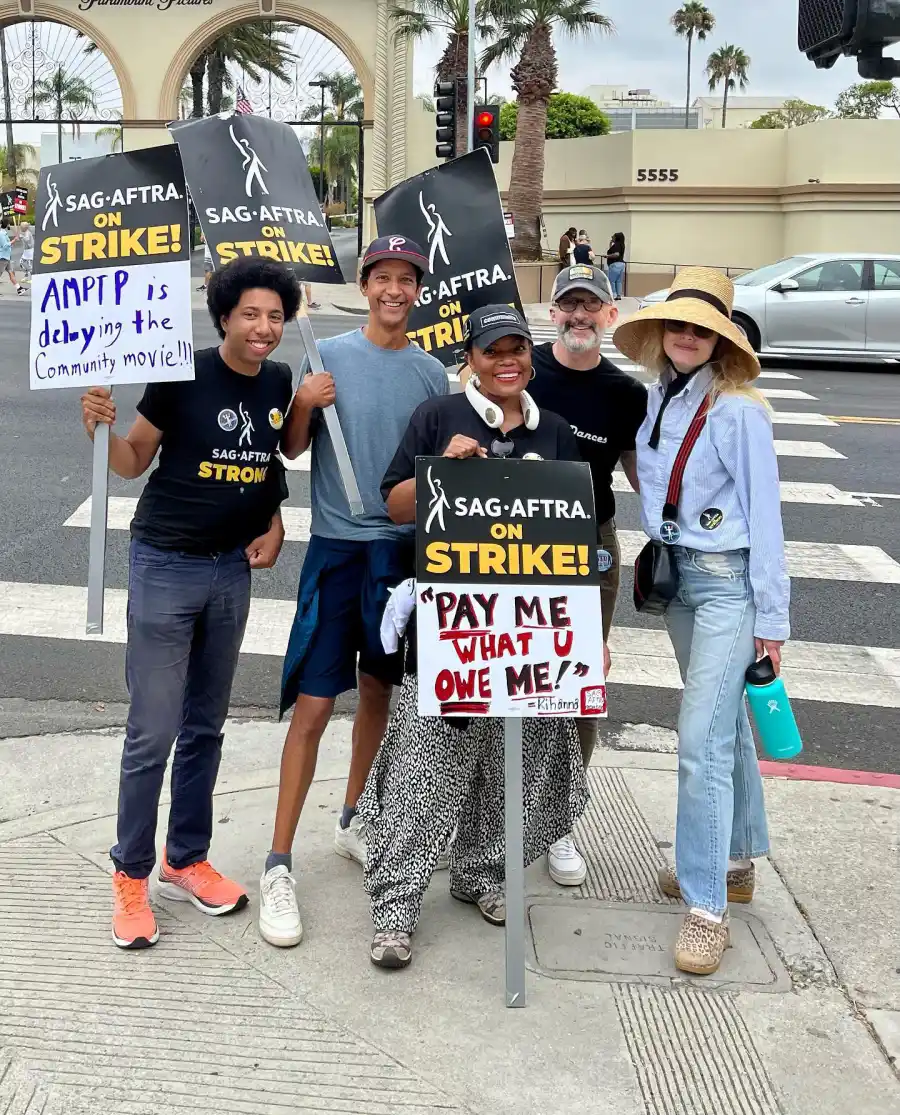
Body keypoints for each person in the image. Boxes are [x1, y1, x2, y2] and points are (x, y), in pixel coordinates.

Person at [358, 304, 591, 970]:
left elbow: (575, 529)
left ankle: (481, 872)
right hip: (452, 629)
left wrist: (581, 636)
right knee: (423, 769)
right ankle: (395, 904)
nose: (508, 360)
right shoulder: (438, 415)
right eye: (494, 350)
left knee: (507, 763)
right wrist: (442, 471)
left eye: (519, 348)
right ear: (472, 358)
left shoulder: (558, 432)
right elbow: (394, 503)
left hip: (530, 635)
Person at [79, 257, 299, 950]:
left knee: (206, 724)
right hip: (166, 564)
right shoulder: (182, 373)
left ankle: (186, 856)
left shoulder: (280, 381)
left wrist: (275, 519)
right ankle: (131, 872)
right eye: (251, 314)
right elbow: (130, 460)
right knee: (152, 731)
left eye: (275, 316)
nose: (264, 328)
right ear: (225, 317)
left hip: (230, 570)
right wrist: (99, 428)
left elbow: (265, 464)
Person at [258, 236, 449, 948]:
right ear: (364, 285)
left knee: (378, 692)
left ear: (417, 291)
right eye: (383, 278)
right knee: (313, 701)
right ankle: (277, 861)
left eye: (407, 280)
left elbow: (435, 468)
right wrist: (303, 403)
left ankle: (352, 819)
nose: (394, 290)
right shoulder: (326, 355)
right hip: (338, 551)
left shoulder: (432, 373)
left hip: (399, 554)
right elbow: (291, 448)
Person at [613, 267, 789, 976]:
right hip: (681, 581)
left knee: (700, 743)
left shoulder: (739, 410)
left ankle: (708, 905)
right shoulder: (659, 397)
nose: (687, 336)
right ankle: (734, 858)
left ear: (720, 341)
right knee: (724, 729)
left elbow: (769, 518)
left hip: (726, 585)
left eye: (702, 329)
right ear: (662, 333)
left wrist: (772, 619)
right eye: (678, 325)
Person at [528, 263, 648, 885]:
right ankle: (491, 812)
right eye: (568, 305)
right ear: (554, 313)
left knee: (579, 680)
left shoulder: (625, 394)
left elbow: (644, 478)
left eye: (591, 306)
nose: (579, 316)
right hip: (513, 542)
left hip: (590, 544)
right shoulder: (521, 370)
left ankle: (559, 821)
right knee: (504, 672)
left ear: (610, 315)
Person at [0, 217, 25, 294]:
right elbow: (4, 245)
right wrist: (13, 241)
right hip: (3, 257)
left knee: (11, 272)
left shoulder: (4, 233)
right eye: (9, 224)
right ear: (6, 224)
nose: (9, 225)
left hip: (7, 257)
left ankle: (19, 289)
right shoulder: (1, 234)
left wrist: (12, 243)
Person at [606, 233, 626, 299]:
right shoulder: (621, 245)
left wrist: (607, 256)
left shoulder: (616, 245)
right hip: (621, 264)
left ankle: (613, 295)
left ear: (616, 237)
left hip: (615, 264)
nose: (612, 237)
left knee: (612, 280)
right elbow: (612, 251)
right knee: (619, 281)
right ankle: (618, 295)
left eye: (613, 236)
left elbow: (616, 254)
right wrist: (610, 244)